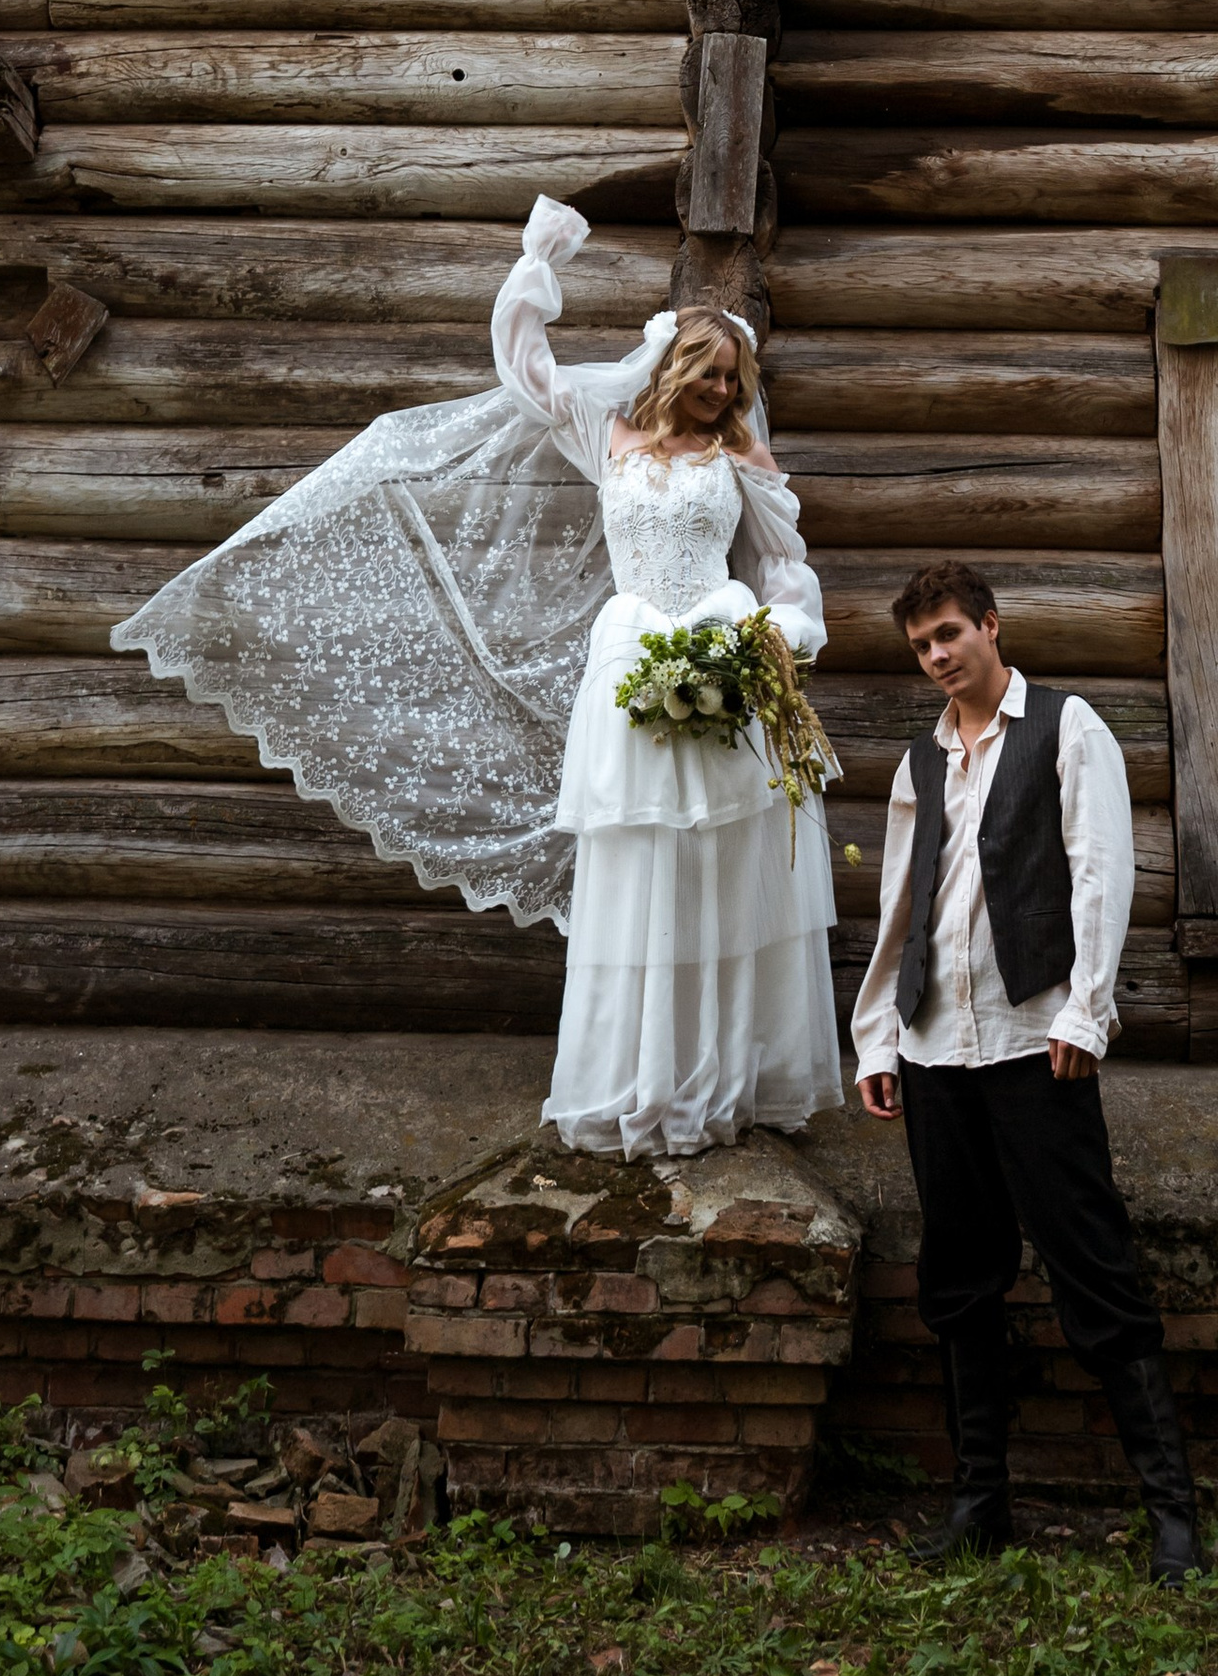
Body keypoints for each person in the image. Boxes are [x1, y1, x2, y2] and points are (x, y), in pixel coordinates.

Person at [110, 195, 840, 1162]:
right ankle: (641, 1077)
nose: (717, 388)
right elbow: (528, 370)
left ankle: (723, 1075)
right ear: (668, 366)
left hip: (723, 660)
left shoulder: (739, 450)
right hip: (631, 672)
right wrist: (540, 264)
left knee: (717, 867)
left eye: (730, 376)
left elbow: (784, 562)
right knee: (639, 866)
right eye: (705, 372)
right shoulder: (607, 435)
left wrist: (781, 632)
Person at [850, 561, 1202, 1583]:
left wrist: (1086, 1011)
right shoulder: (921, 759)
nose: (939, 655)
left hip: (1031, 1041)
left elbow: (1100, 867)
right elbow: (902, 903)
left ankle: (1171, 1512)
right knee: (960, 1278)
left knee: (1092, 1265)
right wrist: (879, 1036)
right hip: (934, 1052)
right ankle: (980, 1503)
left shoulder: (1066, 724)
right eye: (922, 645)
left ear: (991, 627)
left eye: (951, 632)